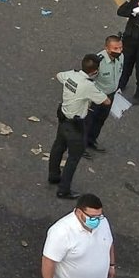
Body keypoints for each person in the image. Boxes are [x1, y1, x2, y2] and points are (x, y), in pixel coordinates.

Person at [49, 55, 111, 198]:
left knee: (58, 147)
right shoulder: (88, 86)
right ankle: (63, 189)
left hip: (63, 119)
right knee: (73, 157)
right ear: (94, 71)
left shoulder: (71, 74)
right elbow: (106, 101)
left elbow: (58, 75)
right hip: (77, 126)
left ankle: (53, 175)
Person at [42, 194, 116, 278]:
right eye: (92, 217)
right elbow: (48, 262)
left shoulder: (103, 222)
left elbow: (109, 243)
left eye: (99, 216)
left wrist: (111, 265)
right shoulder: (61, 231)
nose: (96, 220)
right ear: (78, 212)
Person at [86, 36, 123, 152]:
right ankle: (81, 147)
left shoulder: (121, 57)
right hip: (96, 97)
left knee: (100, 120)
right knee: (88, 122)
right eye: (115, 48)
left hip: (110, 95)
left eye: (120, 47)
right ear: (106, 48)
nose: (119, 51)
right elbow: (87, 80)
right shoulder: (98, 61)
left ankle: (92, 141)